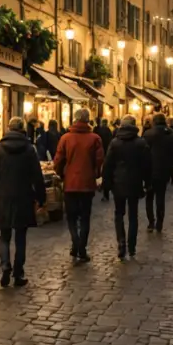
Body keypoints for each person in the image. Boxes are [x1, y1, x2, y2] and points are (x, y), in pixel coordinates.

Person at [0, 117, 46, 287]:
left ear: (8, 128)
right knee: (20, 237)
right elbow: (37, 175)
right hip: (24, 197)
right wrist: (41, 197)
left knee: (4, 235)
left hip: (3, 197)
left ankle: (5, 266)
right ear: (22, 129)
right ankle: (18, 273)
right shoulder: (29, 150)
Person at [53, 107, 104, 262]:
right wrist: (95, 174)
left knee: (71, 217)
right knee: (85, 217)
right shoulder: (95, 138)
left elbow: (58, 161)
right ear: (88, 120)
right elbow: (99, 160)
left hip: (70, 183)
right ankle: (81, 247)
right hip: (87, 184)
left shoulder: (66, 138)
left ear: (74, 119)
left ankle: (76, 243)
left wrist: (62, 174)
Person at [102, 115, 151, 260]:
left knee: (119, 214)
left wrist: (107, 183)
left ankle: (121, 242)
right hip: (135, 182)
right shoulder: (140, 143)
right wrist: (147, 183)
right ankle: (132, 245)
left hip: (118, 183)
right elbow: (147, 165)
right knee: (133, 215)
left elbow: (108, 164)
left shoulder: (115, 143)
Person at [142, 113, 173, 232]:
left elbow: (143, 153)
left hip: (149, 170)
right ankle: (159, 222)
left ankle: (151, 222)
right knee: (161, 197)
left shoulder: (148, 134)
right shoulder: (172, 135)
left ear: (154, 121)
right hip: (164, 170)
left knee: (149, 197)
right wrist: (171, 166)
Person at [94, 118, 114, 201]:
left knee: (100, 171)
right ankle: (106, 192)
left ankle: (100, 186)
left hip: (100, 153)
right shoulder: (109, 131)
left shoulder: (97, 130)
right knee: (106, 173)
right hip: (107, 154)